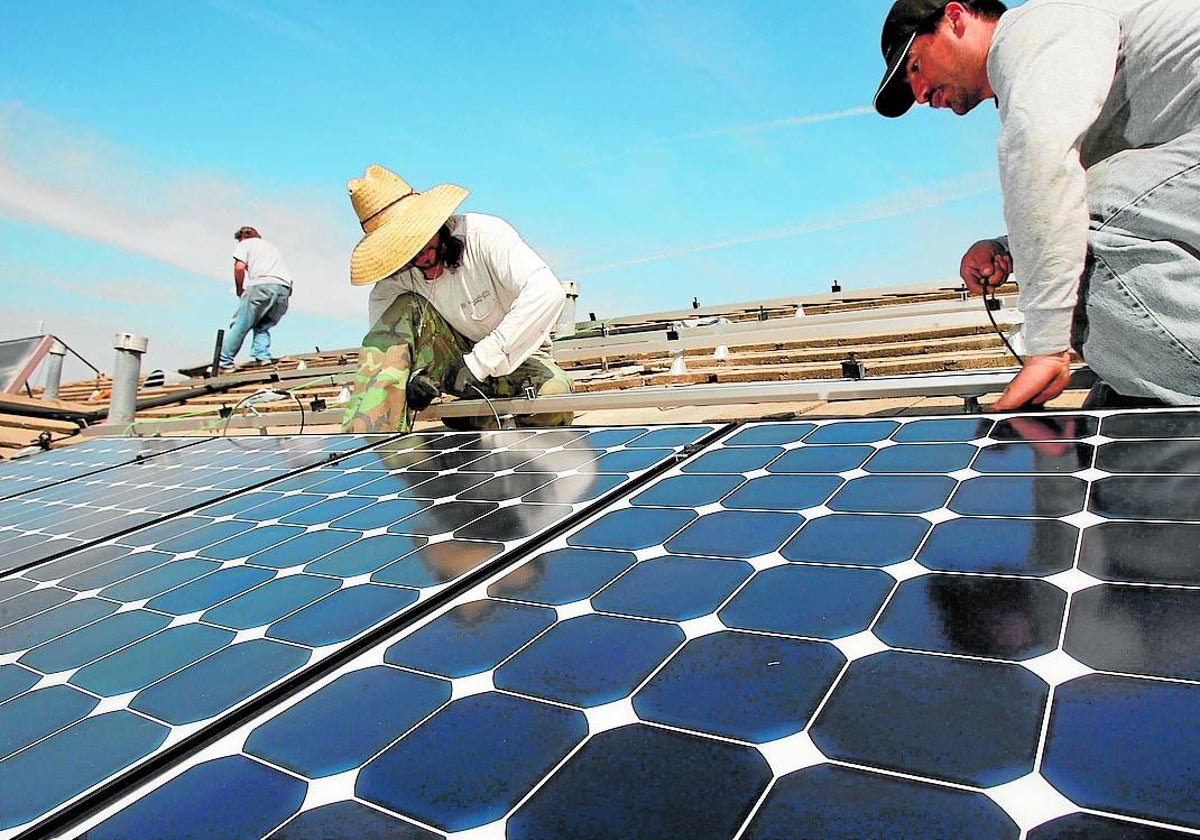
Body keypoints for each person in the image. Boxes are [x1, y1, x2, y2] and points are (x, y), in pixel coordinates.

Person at [873, 0, 1200, 409]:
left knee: (1068, 246)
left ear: (956, 17)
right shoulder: (1049, 74)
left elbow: (1046, 173)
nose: (920, 95)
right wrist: (1006, 245)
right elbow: (1068, 194)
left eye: (916, 67)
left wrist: (1045, 348)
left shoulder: (1029, 32)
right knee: (1062, 234)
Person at [341, 164, 574, 433]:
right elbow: (381, 353)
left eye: (422, 242)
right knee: (401, 310)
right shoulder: (392, 284)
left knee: (553, 398)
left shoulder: (484, 236)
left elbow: (546, 291)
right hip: (450, 367)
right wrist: (412, 379)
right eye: (405, 251)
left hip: (518, 358)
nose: (421, 257)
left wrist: (478, 362)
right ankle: (387, 447)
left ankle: (477, 415)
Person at [218, 226, 294, 371]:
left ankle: (224, 362)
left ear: (242, 238)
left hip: (262, 285)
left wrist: (240, 289)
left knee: (241, 323)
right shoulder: (271, 247)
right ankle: (262, 356)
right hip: (283, 288)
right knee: (262, 325)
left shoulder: (245, 244)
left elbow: (240, 267)